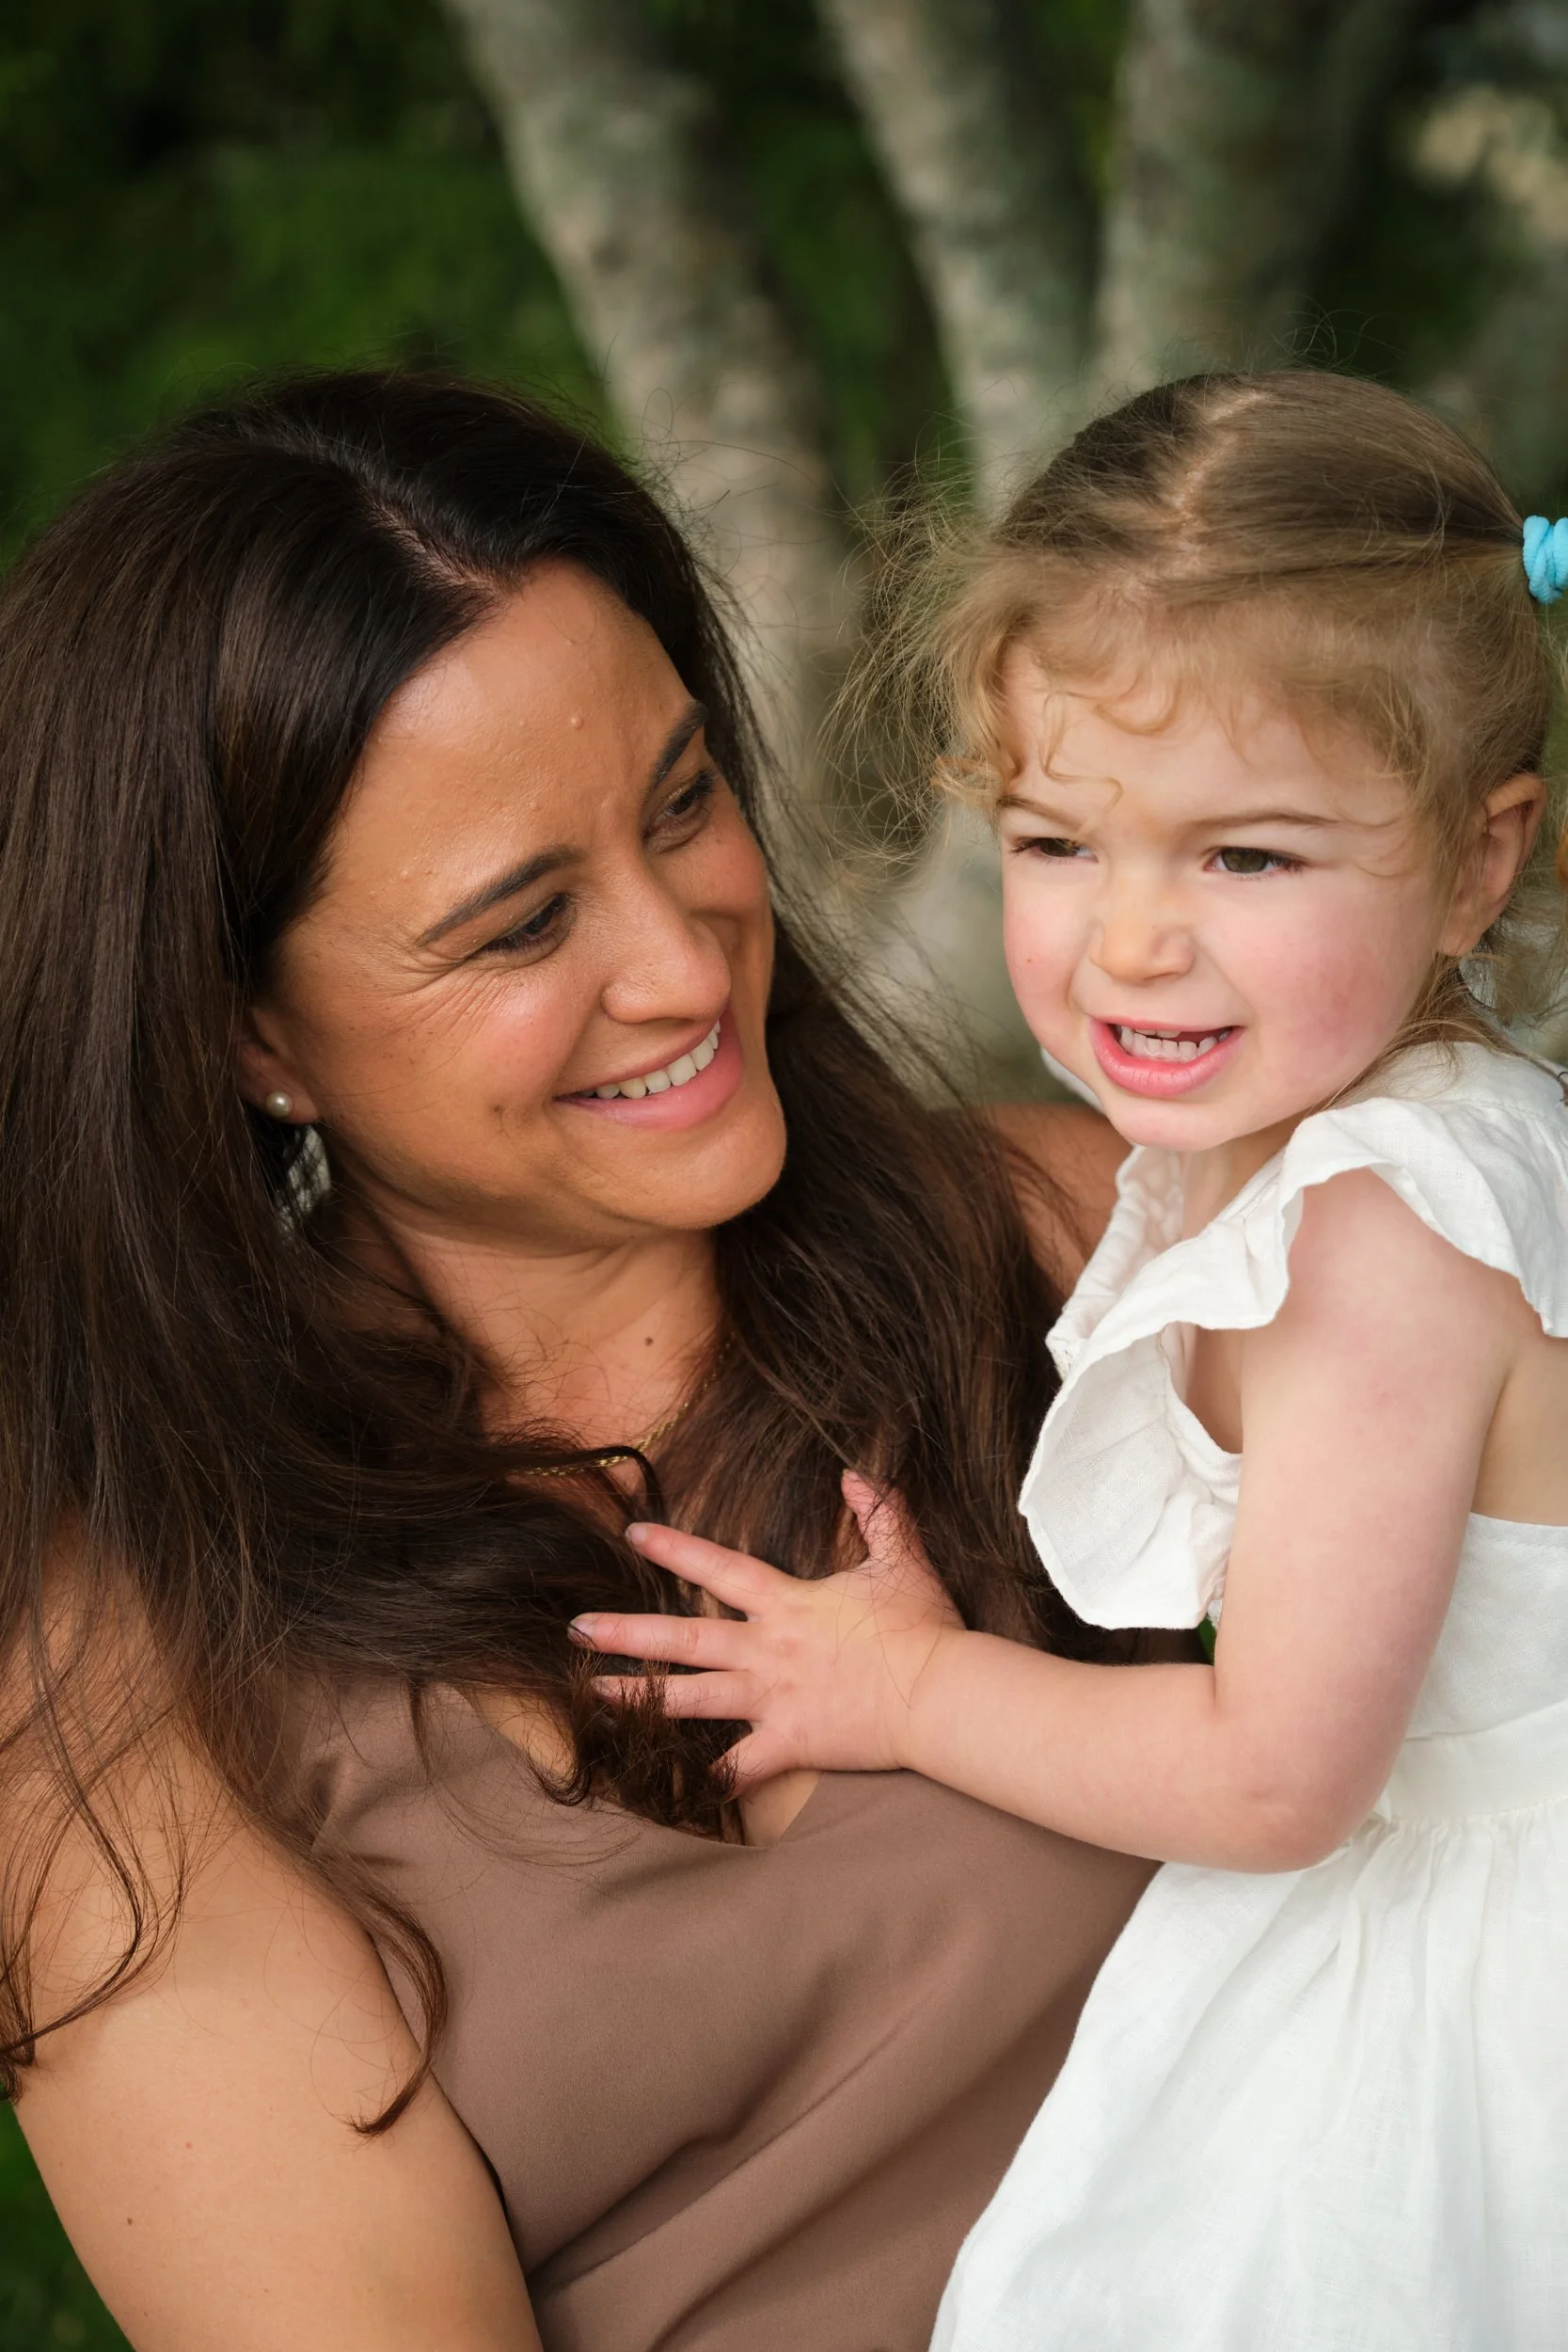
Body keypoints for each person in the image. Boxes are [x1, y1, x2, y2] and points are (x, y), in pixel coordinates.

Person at [1, 370, 1160, 2351]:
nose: (685, 958)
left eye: (682, 800)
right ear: (245, 1037)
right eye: (520, 923)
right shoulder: (123, 1714)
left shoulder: (1092, 1245)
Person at [574, 371, 1568, 2348]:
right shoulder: (1328, 1131)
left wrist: (916, 1683)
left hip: (1475, 1957)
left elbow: (1279, 1770)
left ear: (1473, 862)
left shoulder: (1368, 1234)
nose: (1127, 942)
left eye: (1245, 859)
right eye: (1054, 840)